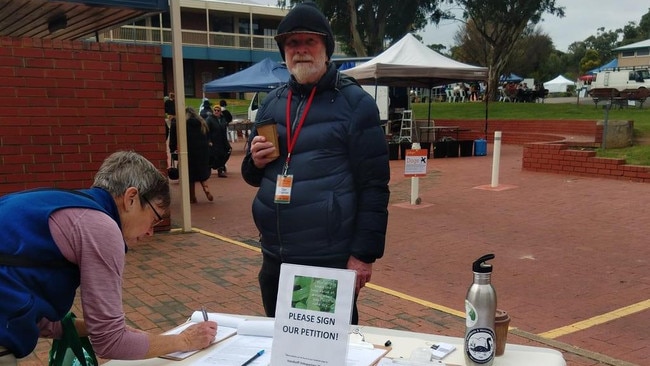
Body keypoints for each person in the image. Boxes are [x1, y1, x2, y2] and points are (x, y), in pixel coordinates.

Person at [240, 2, 390, 325]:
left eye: (310, 41)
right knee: (283, 346)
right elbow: (251, 175)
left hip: (324, 261)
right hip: (275, 259)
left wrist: (363, 255)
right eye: (293, 43)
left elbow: (375, 186)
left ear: (326, 49)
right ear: (284, 53)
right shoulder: (272, 103)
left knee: (322, 353)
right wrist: (253, 161)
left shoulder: (355, 105)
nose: (301, 51)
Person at [0, 151, 217, 364]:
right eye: (155, 218)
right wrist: (184, 340)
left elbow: (41, 322)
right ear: (131, 198)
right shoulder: (100, 226)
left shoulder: (62, 205)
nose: (151, 231)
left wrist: (102, 328)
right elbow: (110, 343)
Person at [169, 107, 213, 203]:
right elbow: (208, 137)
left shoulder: (182, 123)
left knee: (190, 176)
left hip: (189, 151)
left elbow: (173, 140)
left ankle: (192, 197)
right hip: (203, 151)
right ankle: (206, 189)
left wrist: (172, 149)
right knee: (201, 174)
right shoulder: (202, 122)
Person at [206, 105, 232, 178]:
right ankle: (216, 169)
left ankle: (220, 167)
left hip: (222, 140)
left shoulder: (223, 119)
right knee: (214, 156)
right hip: (213, 141)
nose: (216, 111)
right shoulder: (209, 119)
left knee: (226, 152)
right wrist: (209, 140)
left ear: (220, 112)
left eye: (218, 110)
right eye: (215, 110)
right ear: (213, 111)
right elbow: (206, 131)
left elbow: (225, 127)